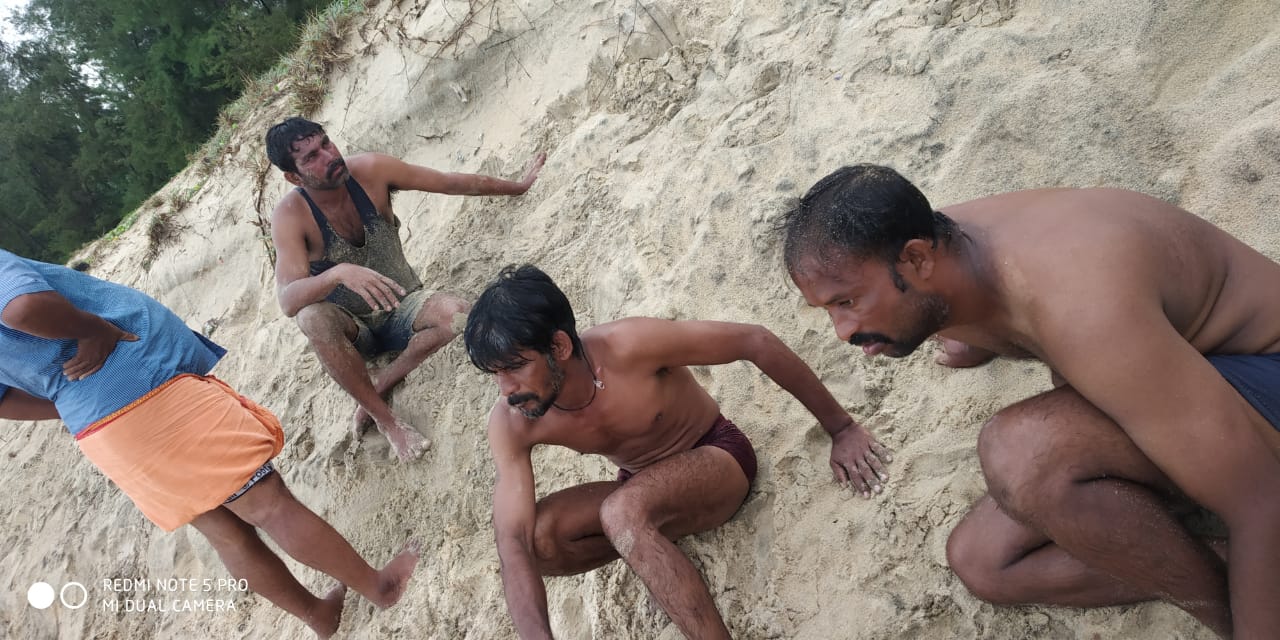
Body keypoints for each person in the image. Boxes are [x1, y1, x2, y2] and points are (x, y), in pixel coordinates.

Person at [780, 164, 1280, 638]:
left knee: (1022, 455)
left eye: (846, 302)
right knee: (985, 562)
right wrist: (969, 341)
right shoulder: (938, 258)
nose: (842, 331)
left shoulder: (1076, 300)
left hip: (1261, 371)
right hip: (1178, 374)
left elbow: (1262, 498)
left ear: (916, 259)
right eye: (826, 309)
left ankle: (1235, 616)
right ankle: (1225, 574)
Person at [0, 249, 419, 638]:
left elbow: (4, 402)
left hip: (101, 427)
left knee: (224, 532)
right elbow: (21, 307)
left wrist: (76, 400)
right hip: (145, 393)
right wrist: (94, 329)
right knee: (268, 504)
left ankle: (318, 615)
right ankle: (379, 587)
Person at [462, 264, 891, 639]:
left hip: (715, 457)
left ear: (559, 347)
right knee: (537, 541)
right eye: (495, 375)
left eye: (515, 367)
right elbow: (512, 541)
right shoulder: (512, 421)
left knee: (622, 513)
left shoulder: (631, 346)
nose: (506, 390)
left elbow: (754, 341)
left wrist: (842, 427)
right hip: (639, 489)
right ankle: (647, 547)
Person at [265, 117, 546, 461]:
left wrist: (518, 186)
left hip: (404, 304)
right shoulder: (291, 215)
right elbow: (287, 299)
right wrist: (337, 274)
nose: (328, 156)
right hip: (355, 332)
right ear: (293, 177)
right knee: (311, 318)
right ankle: (387, 422)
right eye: (311, 157)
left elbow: (448, 182)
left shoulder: (371, 171)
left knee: (458, 314)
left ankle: (381, 382)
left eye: (326, 143)